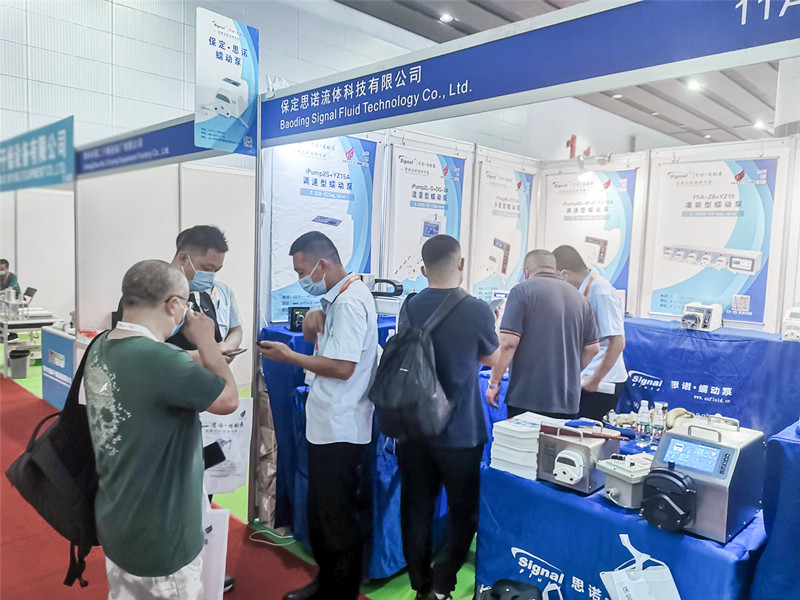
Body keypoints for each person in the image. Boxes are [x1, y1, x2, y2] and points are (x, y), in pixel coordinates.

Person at [84, 259, 239, 599]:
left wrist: (202, 356)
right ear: (174, 305)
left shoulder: (102, 344)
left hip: (118, 516)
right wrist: (207, 342)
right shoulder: (161, 360)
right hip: (162, 535)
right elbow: (228, 400)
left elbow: (155, 364)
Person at [258, 231, 378, 600]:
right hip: (328, 421)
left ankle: (339, 590)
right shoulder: (337, 300)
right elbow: (324, 347)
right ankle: (326, 582)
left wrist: (289, 356)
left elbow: (342, 367)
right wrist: (313, 324)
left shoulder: (350, 302)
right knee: (322, 513)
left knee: (337, 516)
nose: (301, 280)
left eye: (302, 271)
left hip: (342, 426)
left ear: (322, 264)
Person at [397, 235, 500, 600]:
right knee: (463, 511)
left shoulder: (409, 306)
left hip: (414, 428)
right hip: (461, 431)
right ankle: (444, 583)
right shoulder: (477, 309)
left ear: (423, 269)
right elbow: (490, 358)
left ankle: (421, 585)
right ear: (461, 264)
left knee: (416, 509)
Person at [486, 250, 599, 419]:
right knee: (560, 438)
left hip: (527, 398)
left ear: (526, 272)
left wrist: (494, 383)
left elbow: (508, 342)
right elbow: (593, 348)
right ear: (555, 269)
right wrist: (568, 372)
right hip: (568, 401)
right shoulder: (581, 299)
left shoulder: (521, 291)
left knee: (522, 438)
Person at [553, 245, 627, 420]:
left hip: (601, 380)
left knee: (585, 432)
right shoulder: (581, 290)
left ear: (564, 274)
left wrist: (595, 379)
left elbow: (618, 342)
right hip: (585, 377)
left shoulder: (601, 292)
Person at [167, 226, 244, 362]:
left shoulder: (204, 293)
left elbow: (235, 330)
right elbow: (152, 348)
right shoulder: (155, 292)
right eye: (207, 268)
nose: (211, 276)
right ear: (183, 258)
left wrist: (224, 349)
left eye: (216, 270)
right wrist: (208, 355)